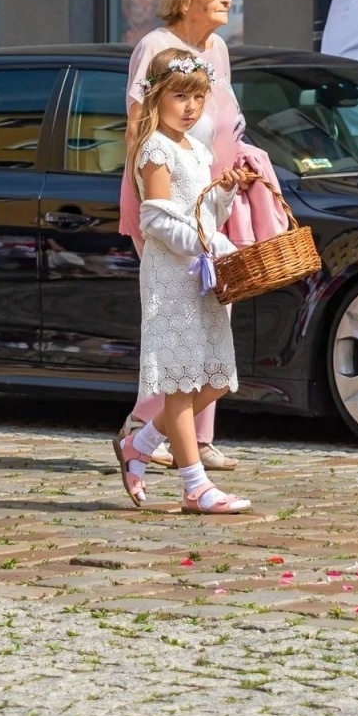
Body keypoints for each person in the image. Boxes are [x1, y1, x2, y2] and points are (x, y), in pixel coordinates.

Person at [115, 0, 285, 495]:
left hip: (213, 202)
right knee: (182, 343)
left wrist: (236, 179)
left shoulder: (217, 50)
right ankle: (171, 456)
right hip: (176, 213)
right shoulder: (155, 49)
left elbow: (220, 125)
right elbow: (140, 128)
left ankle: (164, 440)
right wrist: (160, 191)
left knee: (214, 339)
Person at [116, 50, 257, 514]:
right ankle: (195, 486)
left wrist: (225, 191)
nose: (191, 106)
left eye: (199, 97)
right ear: (158, 96)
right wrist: (207, 243)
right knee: (180, 382)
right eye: (181, 96)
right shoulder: (155, 147)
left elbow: (200, 212)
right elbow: (156, 221)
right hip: (170, 277)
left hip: (199, 273)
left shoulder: (195, 149)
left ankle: (140, 442)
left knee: (216, 378)